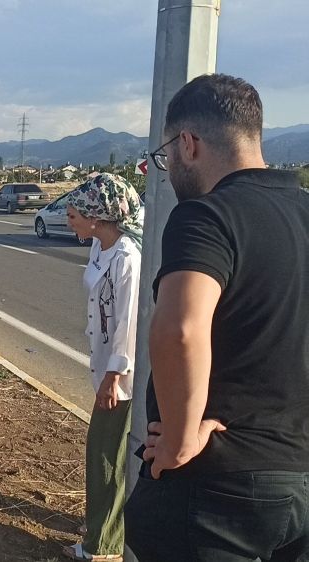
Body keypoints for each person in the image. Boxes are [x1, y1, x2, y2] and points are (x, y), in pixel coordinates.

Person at [124, 75, 309, 561]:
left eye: (166, 155)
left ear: (188, 143)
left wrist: (181, 438)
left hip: (217, 492)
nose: (168, 170)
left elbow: (180, 328)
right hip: (299, 481)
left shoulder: (208, 216)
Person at [61, 173, 142, 562]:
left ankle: (104, 547)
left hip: (120, 379)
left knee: (108, 458)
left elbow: (129, 325)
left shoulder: (128, 258)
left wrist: (114, 377)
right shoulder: (98, 244)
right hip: (104, 369)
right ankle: (103, 529)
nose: (69, 220)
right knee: (103, 454)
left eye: (74, 214)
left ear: (97, 215)